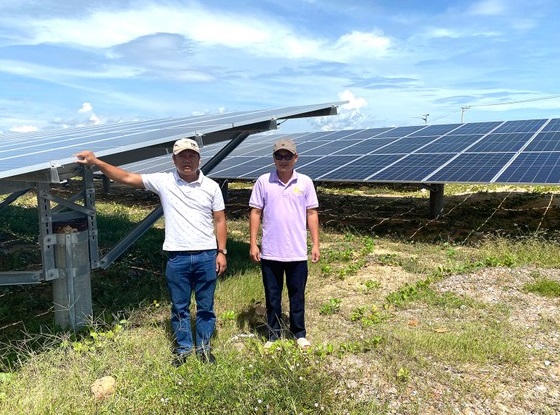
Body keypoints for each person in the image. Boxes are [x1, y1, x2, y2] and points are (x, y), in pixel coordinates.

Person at [75, 138, 227, 365]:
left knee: (206, 306)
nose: (187, 160)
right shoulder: (164, 181)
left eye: (191, 155)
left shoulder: (211, 187)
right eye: (182, 156)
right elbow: (125, 177)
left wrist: (221, 251)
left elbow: (220, 219)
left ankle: (204, 348)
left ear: (199, 159)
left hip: (206, 254)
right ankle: (184, 349)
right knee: (179, 307)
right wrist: (96, 162)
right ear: (174, 159)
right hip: (177, 256)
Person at [248, 138, 320, 350]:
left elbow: (312, 213)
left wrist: (315, 244)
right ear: (273, 159)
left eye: (288, 156)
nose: (283, 160)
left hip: (296, 251)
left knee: (297, 294)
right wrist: (253, 243)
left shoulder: (305, 182)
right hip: (271, 251)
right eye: (279, 156)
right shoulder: (263, 181)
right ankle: (273, 333)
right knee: (272, 295)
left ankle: (299, 332)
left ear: (295, 158)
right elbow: (255, 212)